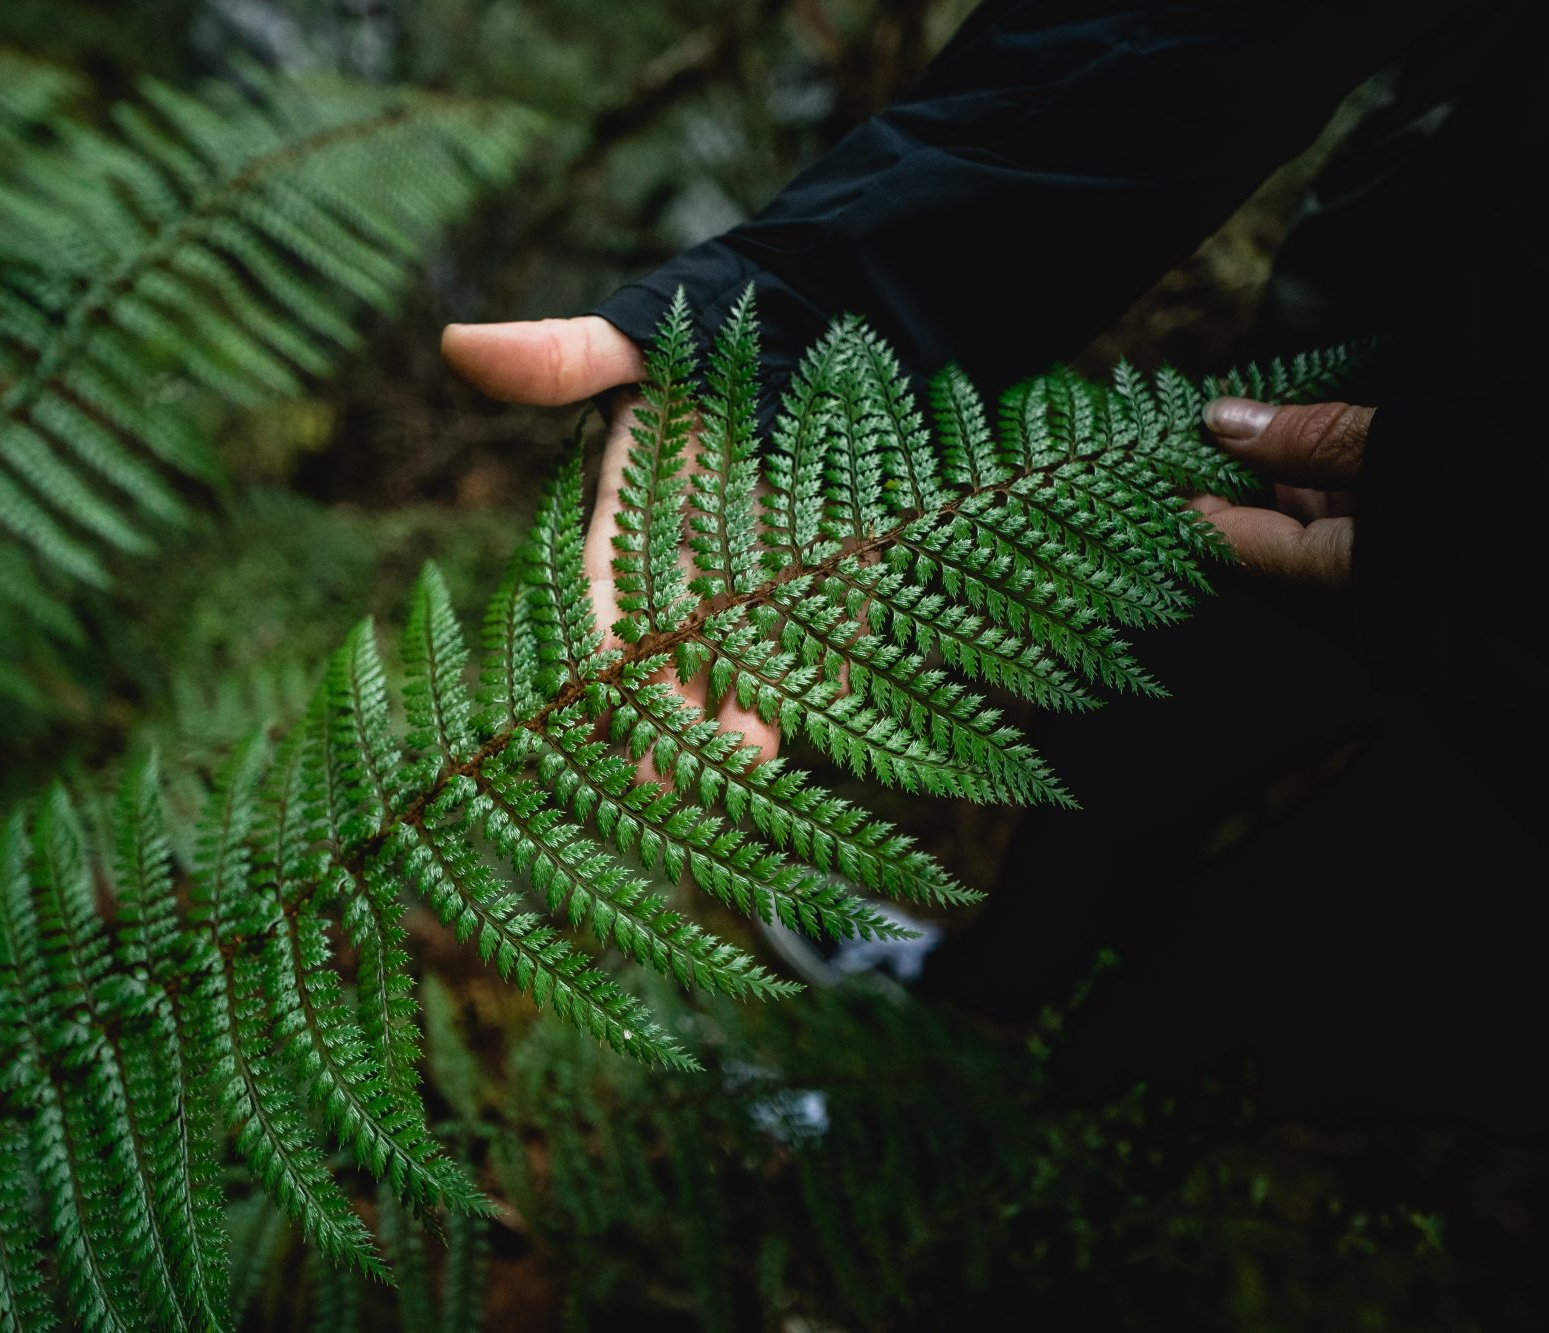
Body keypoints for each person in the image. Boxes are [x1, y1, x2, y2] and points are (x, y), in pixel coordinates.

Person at [441, 0, 1546, 1135]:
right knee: (1150, 729)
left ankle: (1003, 1162)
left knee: (1363, 949)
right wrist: (801, 314)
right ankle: (972, 1005)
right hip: (1387, 358)